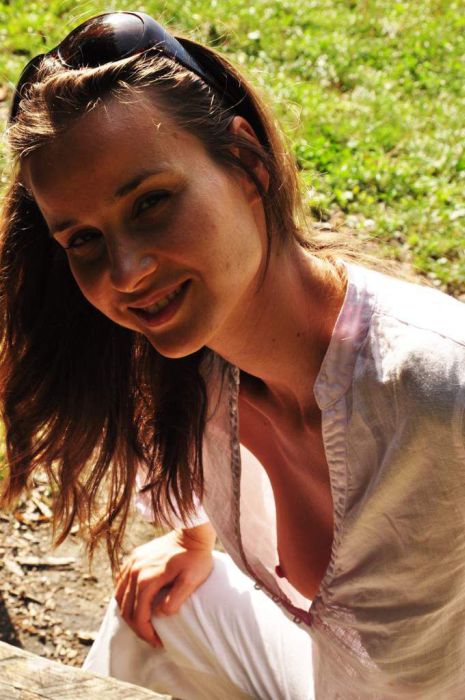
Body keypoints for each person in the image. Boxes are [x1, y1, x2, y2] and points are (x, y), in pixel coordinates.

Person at [2, 10, 465, 699]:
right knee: (161, 615)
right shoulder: (191, 373)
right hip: (331, 677)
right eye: (83, 240)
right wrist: (195, 537)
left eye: (151, 202)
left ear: (247, 162)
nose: (125, 272)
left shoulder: (439, 390)